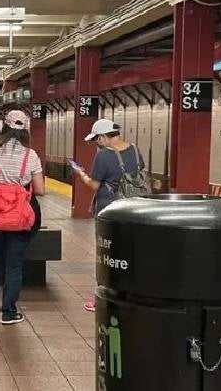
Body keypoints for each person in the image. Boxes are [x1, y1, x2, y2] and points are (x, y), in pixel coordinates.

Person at [0, 110, 45, 325]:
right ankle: (9, 312)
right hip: (19, 219)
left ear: (3, 128)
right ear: (25, 131)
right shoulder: (30, 156)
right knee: (14, 265)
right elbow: (40, 190)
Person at [72, 118, 144, 312]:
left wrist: (81, 174)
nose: (97, 143)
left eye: (97, 139)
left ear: (103, 137)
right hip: (134, 210)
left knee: (107, 253)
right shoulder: (135, 150)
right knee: (129, 252)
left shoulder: (104, 155)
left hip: (109, 211)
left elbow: (95, 185)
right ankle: (129, 296)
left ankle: (103, 298)